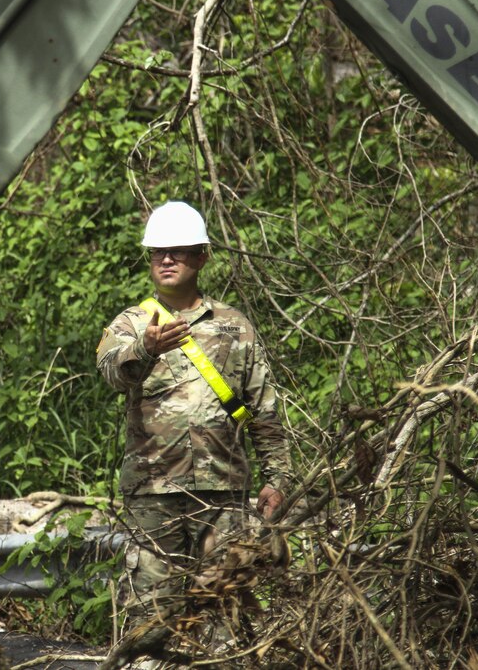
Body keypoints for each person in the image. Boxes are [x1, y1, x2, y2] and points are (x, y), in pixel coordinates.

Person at [96, 200, 292, 633]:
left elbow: (264, 409)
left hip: (224, 495)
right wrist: (145, 348)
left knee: (226, 620)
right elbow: (111, 371)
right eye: (157, 251)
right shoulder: (131, 323)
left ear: (201, 256)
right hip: (153, 493)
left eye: (179, 250)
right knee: (151, 622)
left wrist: (278, 478)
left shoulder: (234, 325)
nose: (166, 259)